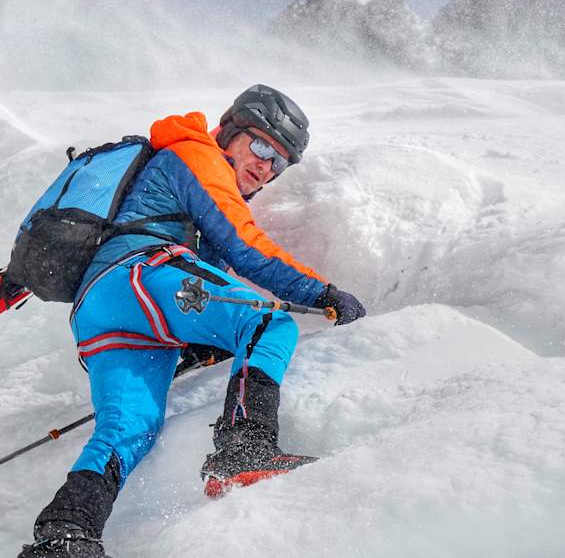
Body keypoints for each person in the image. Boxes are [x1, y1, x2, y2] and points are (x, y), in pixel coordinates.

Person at [19, 85, 366, 558]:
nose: (266, 166)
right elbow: (247, 248)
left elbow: (209, 274)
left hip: (103, 313)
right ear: (231, 131)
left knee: (129, 428)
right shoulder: (196, 155)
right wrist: (323, 293)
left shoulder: (197, 178)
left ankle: (64, 535)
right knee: (269, 324)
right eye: (261, 146)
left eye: (279, 163)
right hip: (139, 274)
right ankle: (244, 449)